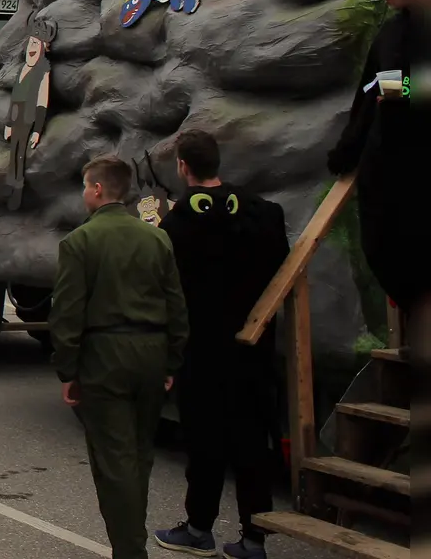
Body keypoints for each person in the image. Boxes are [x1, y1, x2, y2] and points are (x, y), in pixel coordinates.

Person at [152, 131, 286, 559]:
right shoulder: (260, 212)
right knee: (252, 439)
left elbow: (167, 288)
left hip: (203, 345)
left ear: (183, 166)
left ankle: (198, 528)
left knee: (205, 439)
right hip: (253, 342)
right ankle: (253, 536)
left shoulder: (177, 223)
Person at [50, 156, 189, 559]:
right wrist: (171, 361)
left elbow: (68, 313)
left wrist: (68, 369)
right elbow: (176, 306)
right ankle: (133, 538)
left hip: (104, 354)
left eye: (84, 186)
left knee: (114, 462)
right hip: (150, 351)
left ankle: (130, 550)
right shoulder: (156, 238)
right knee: (140, 454)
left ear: (96, 189)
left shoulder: (79, 242)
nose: (83, 194)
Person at [328, 0, 415, 310]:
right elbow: (371, 90)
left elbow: (399, 88)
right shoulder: (392, 32)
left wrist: (409, 92)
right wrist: (349, 147)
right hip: (391, 171)